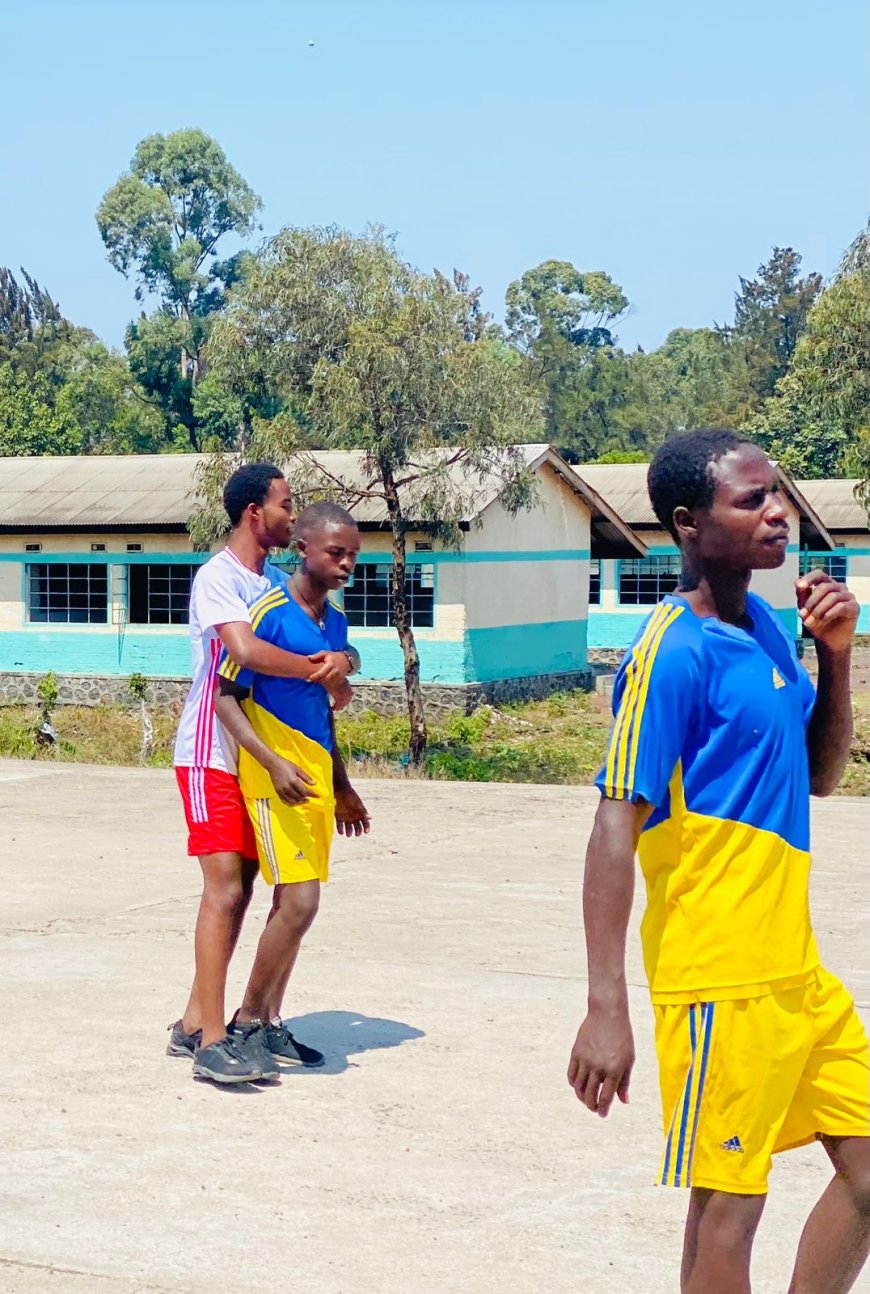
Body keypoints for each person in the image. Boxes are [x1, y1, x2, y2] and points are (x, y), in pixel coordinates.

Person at [567, 429, 869, 1293]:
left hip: (795, 973)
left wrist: (836, 656)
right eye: (751, 500)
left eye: (777, 492)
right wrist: (605, 1009)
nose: (778, 512)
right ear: (689, 524)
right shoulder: (670, 653)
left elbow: (818, 774)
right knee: (728, 1212)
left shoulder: (769, 630)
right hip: (718, 977)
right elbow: (612, 828)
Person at [169, 463, 359, 1084]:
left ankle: (198, 1021)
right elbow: (244, 655)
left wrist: (343, 658)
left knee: (248, 892)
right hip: (212, 752)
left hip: (252, 757)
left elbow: (325, 632)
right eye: (285, 503)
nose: (290, 511)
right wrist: (320, 668)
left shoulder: (274, 582)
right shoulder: (217, 578)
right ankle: (214, 1041)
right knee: (223, 891)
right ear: (256, 513)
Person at [213, 501, 370, 1076]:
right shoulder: (270, 614)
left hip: (315, 779)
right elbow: (225, 697)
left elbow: (325, 713)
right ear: (301, 548)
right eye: (337, 552)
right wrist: (271, 763)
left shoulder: (335, 624)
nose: (348, 562)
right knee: (301, 902)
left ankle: (270, 1022)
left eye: (354, 553)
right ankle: (246, 1023)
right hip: (277, 781)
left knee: (294, 907)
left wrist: (343, 785)